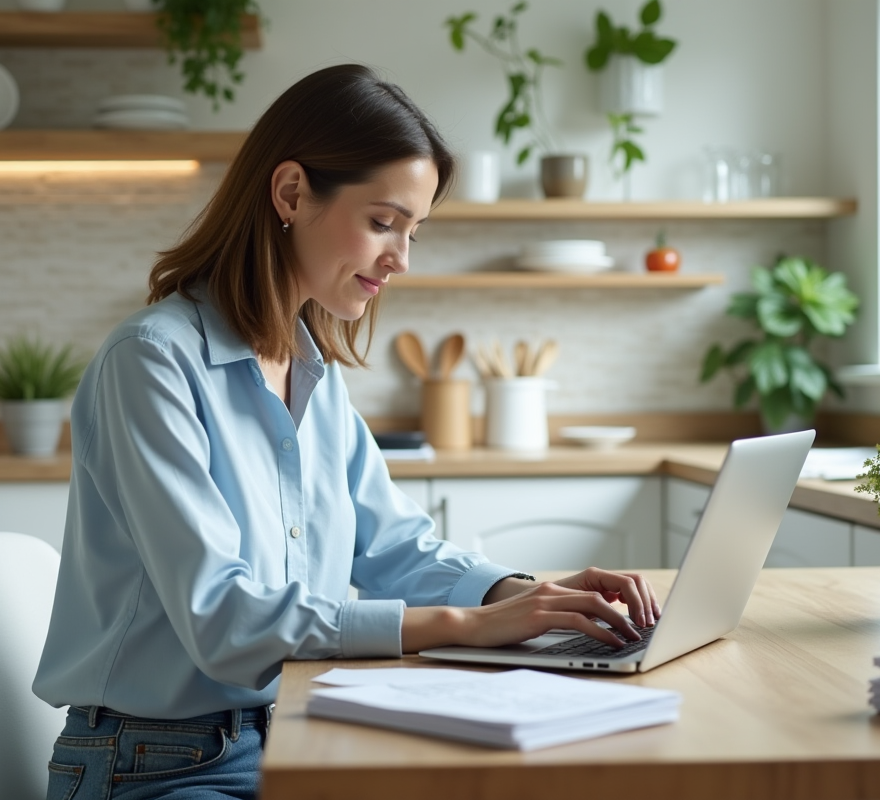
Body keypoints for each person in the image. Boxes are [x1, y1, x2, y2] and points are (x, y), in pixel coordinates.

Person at [33, 63, 661, 800]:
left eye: (413, 232)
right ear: (291, 193)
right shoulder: (152, 363)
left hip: (291, 731)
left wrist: (521, 597)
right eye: (383, 222)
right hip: (156, 766)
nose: (400, 260)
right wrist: (461, 624)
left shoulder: (312, 374)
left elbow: (392, 544)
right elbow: (224, 619)